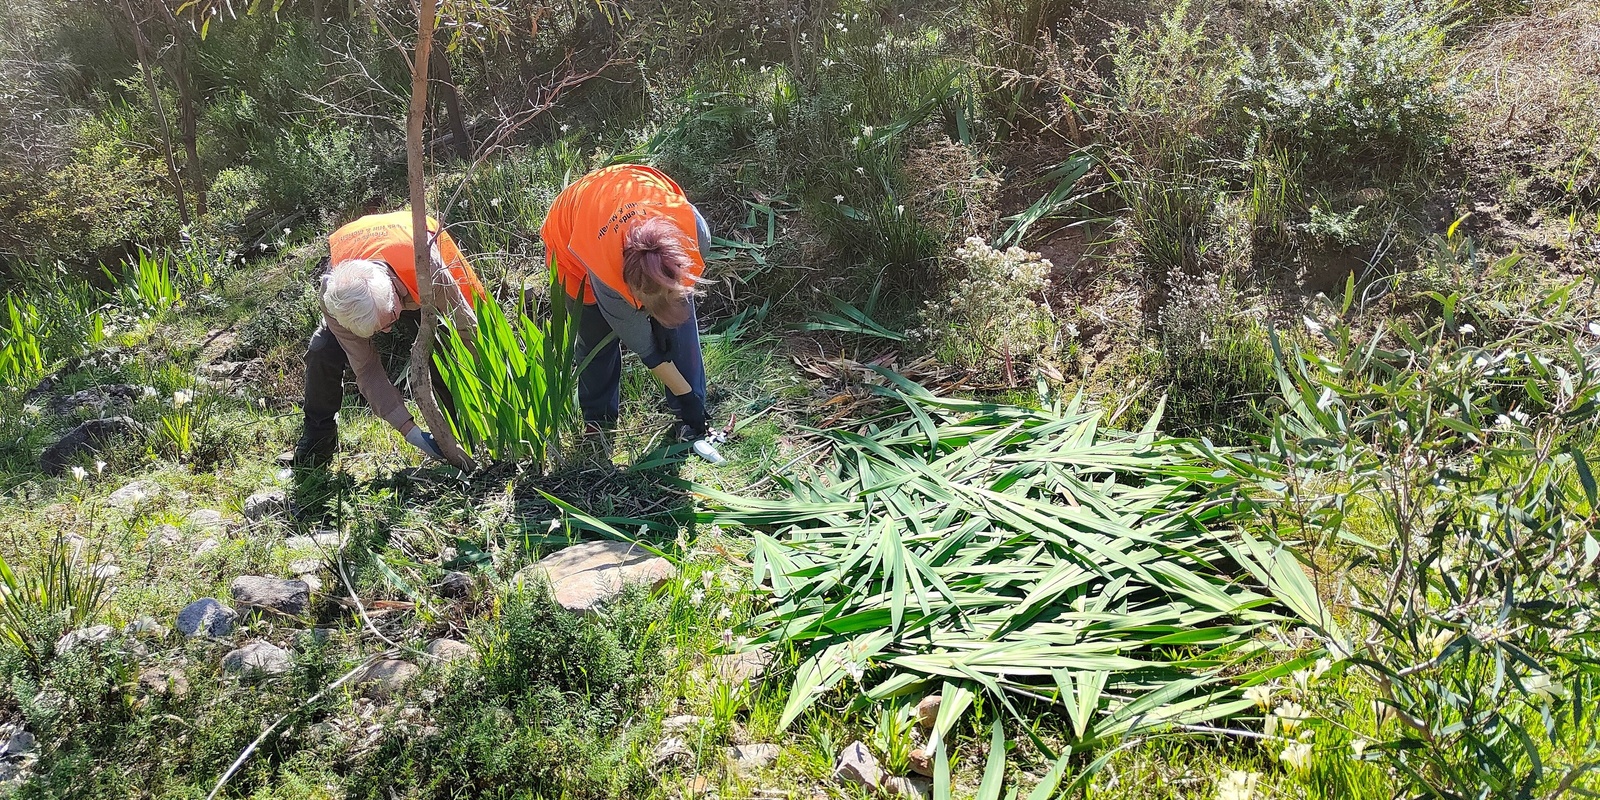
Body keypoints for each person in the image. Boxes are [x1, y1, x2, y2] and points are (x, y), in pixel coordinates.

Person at [279, 210, 486, 467]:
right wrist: (411, 432)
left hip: (416, 258)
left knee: (444, 352)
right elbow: (366, 369)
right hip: (371, 272)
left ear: (394, 298)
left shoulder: (428, 269)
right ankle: (315, 446)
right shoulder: (334, 297)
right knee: (322, 349)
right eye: (378, 331)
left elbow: (469, 331)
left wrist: (485, 386)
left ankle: (468, 433)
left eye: (386, 323)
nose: (388, 333)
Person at [540, 164, 712, 445]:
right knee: (595, 338)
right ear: (630, 294)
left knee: (679, 324)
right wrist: (685, 394)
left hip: (630, 185)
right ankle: (599, 422)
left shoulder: (694, 235)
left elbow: (678, 297)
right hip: (571, 234)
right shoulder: (608, 279)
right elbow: (648, 353)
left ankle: (689, 419)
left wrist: (691, 402)